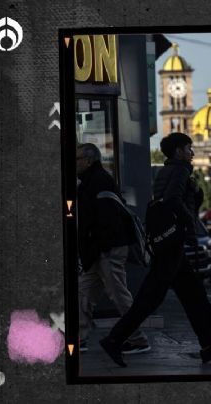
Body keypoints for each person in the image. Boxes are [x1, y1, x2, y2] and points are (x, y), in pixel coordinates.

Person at [100, 133, 211, 367]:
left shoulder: (169, 171)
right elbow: (173, 200)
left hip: (170, 244)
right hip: (171, 245)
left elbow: (175, 200)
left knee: (194, 295)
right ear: (179, 151)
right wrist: (190, 224)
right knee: (151, 298)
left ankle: (210, 343)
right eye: (189, 148)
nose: (192, 153)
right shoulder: (180, 170)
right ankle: (115, 338)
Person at [76, 143, 150, 354]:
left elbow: (106, 220)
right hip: (97, 251)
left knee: (119, 295)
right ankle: (79, 338)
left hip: (106, 251)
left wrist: (98, 246)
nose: (74, 163)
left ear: (88, 161)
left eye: (77, 159)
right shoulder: (91, 181)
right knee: (83, 294)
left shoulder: (98, 181)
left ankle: (138, 339)